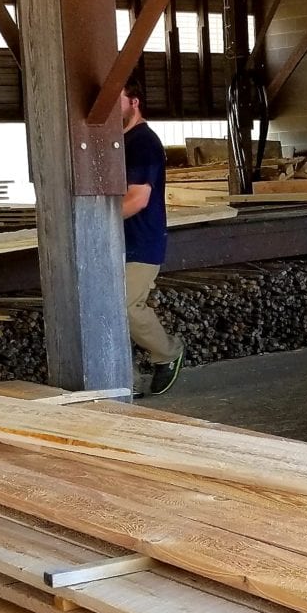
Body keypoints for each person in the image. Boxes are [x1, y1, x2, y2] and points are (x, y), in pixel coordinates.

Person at [119, 75, 184, 396]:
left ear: (134, 102)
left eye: (117, 101)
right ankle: (124, 380)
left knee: (127, 306)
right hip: (117, 242)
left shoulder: (143, 142)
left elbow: (137, 198)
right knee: (108, 309)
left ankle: (167, 353)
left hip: (142, 241)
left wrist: (95, 224)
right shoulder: (119, 142)